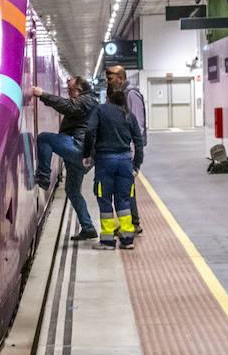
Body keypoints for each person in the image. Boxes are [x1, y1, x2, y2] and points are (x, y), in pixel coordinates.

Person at [32, 76, 100, 241]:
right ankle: (88, 227)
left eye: (71, 90)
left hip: (78, 148)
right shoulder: (87, 100)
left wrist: (42, 95)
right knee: (72, 190)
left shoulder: (86, 100)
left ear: (80, 90)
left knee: (44, 138)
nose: (68, 93)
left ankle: (43, 178)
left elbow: (68, 106)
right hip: (79, 153)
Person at [82, 85, 144, 250]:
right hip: (125, 162)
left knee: (105, 200)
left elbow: (89, 132)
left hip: (105, 162)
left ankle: (108, 241)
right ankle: (127, 239)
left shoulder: (100, 110)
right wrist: (136, 165)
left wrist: (86, 153)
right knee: (124, 200)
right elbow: (138, 141)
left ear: (107, 98)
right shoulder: (129, 116)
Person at [105, 65, 147, 233]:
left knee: (126, 189)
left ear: (121, 78)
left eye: (110, 78)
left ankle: (133, 224)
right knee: (124, 189)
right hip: (120, 150)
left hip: (126, 151)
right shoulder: (119, 95)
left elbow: (138, 126)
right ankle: (130, 223)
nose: (108, 81)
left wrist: (132, 154)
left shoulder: (131, 95)